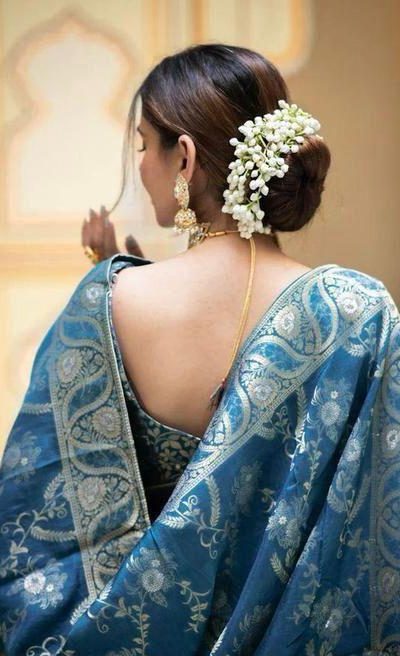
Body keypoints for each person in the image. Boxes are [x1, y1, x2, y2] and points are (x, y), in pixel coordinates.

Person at [0, 43, 399, 656]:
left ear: (183, 156)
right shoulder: (358, 311)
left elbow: (36, 529)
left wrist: (107, 283)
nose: (141, 166)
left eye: (143, 145)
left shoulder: (109, 302)